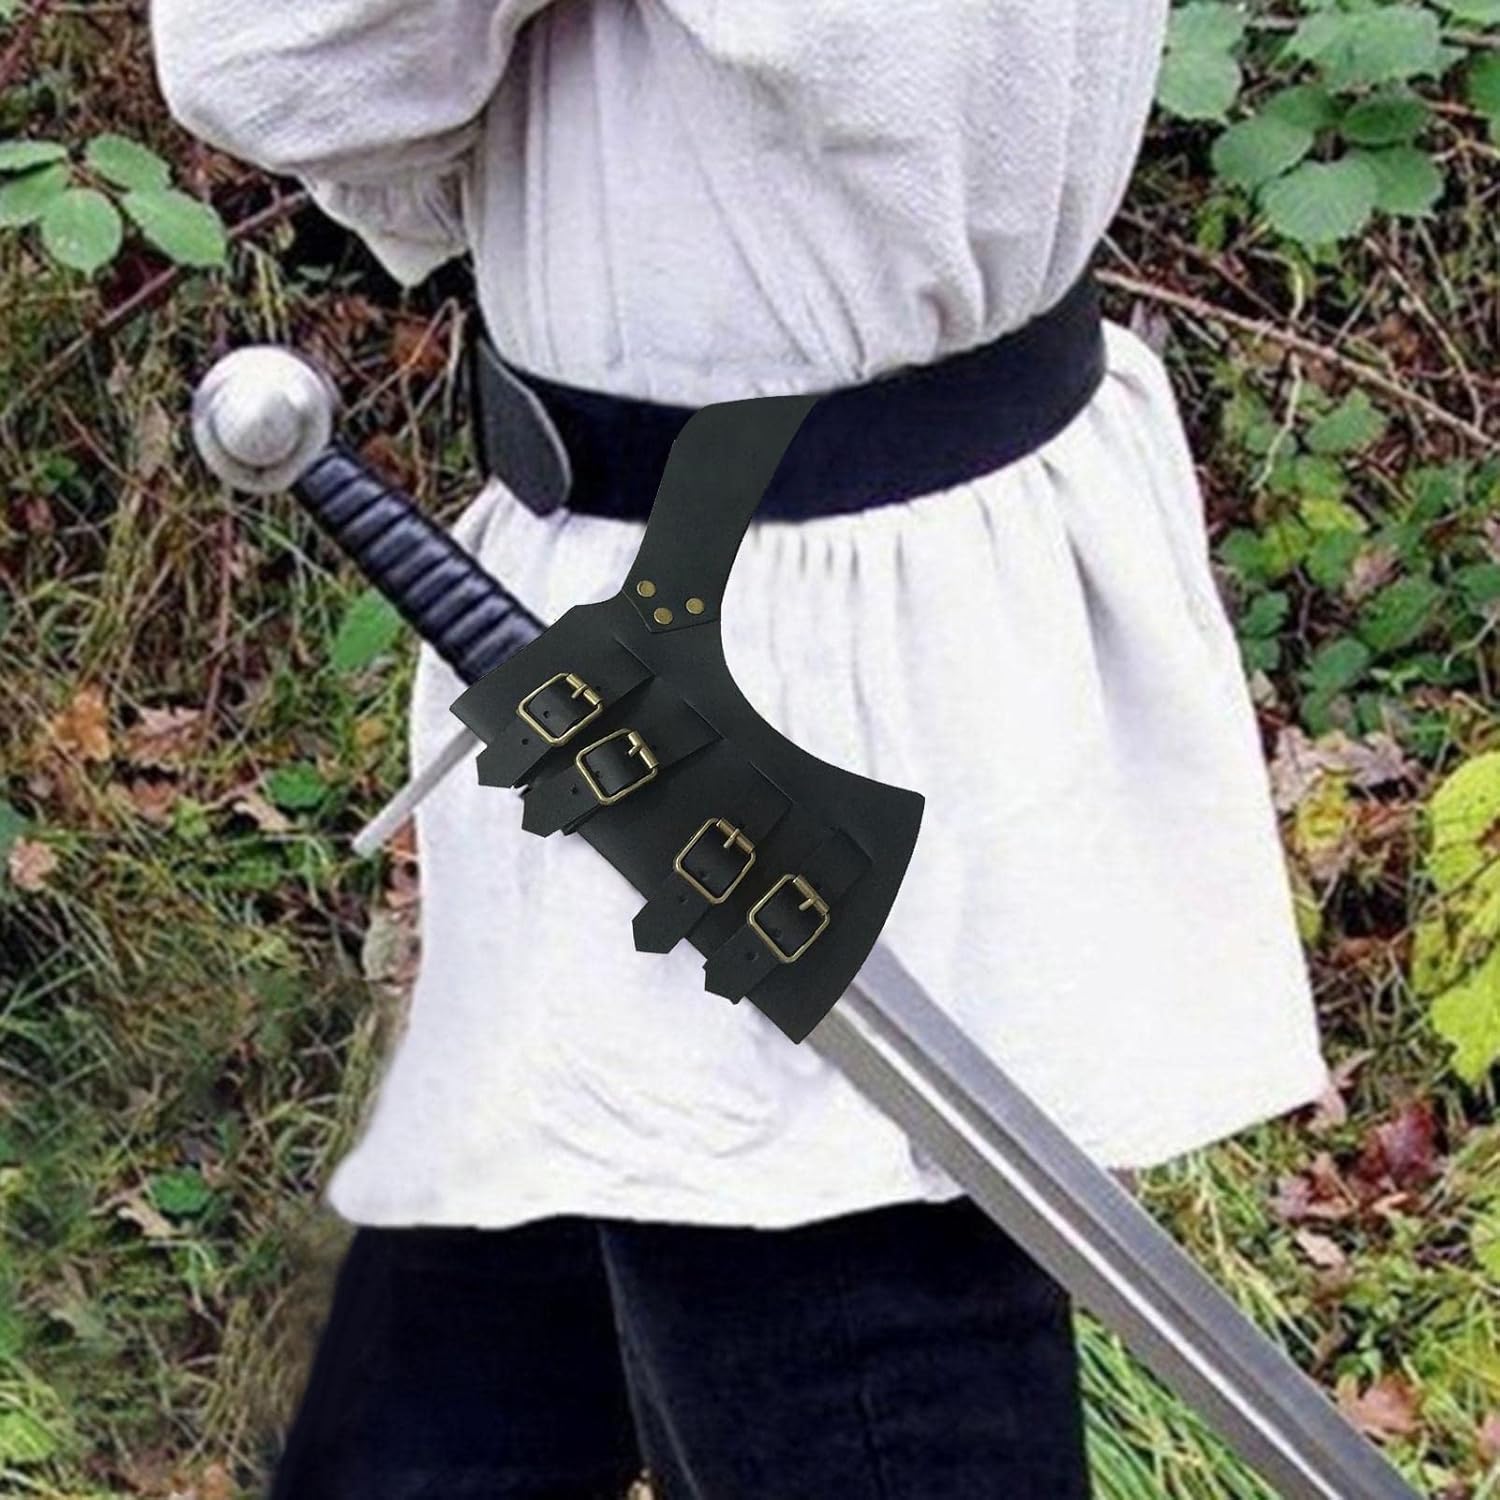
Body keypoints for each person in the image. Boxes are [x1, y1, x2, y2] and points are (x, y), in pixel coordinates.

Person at [149, 4, 1333, 1497]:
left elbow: (270, 59)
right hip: (884, 578)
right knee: (494, 1347)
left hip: (760, 663)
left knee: (839, 1326)